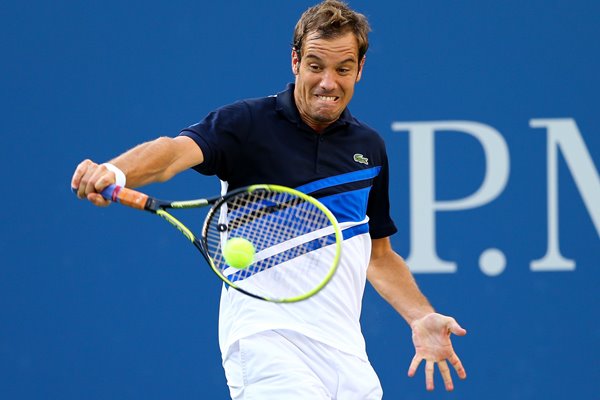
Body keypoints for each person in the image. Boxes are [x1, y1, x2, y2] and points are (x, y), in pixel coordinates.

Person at [71, 1, 467, 398]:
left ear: (359, 70)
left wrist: (420, 315)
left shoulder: (369, 148)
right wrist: (117, 172)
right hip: (266, 343)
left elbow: (378, 256)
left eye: (342, 69)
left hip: (346, 354)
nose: (328, 82)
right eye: (315, 65)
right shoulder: (245, 124)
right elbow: (172, 153)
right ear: (295, 62)